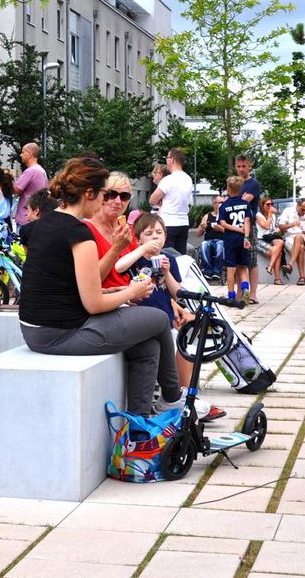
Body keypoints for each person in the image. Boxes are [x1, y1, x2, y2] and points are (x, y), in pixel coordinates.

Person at [18, 157, 183, 417]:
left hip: (36, 329)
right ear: (89, 193)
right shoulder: (78, 233)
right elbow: (93, 305)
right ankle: (173, 399)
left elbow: (65, 282)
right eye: (104, 195)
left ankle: (138, 427)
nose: (106, 201)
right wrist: (132, 292)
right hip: (61, 334)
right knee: (160, 319)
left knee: (147, 348)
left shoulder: (47, 223)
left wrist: (113, 291)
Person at [118, 213, 226, 423]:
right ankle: (175, 397)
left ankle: (180, 394)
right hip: (145, 320)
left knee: (187, 338)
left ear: (166, 237)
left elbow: (177, 294)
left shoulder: (170, 261)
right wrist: (141, 250)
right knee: (174, 341)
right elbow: (119, 267)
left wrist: (167, 273)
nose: (155, 238)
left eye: (159, 233)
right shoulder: (136, 259)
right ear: (138, 238)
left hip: (166, 319)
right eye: (149, 234)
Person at [84, 172, 139, 289]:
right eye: (112, 194)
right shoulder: (85, 230)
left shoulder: (127, 230)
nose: (118, 201)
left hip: (132, 297)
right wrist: (116, 249)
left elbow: (138, 268)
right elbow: (90, 281)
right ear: (101, 196)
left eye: (124, 196)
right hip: (106, 301)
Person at [150, 147, 194, 253]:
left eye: (167, 158)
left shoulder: (167, 180)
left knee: (167, 256)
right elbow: (189, 203)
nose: (166, 160)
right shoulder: (188, 179)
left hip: (169, 222)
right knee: (181, 256)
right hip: (183, 222)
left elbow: (152, 200)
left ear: (172, 160)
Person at [218, 176, 252, 299]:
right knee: (242, 266)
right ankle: (245, 288)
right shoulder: (245, 204)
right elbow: (247, 222)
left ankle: (231, 295)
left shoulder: (224, 206)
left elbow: (222, 223)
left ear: (228, 188)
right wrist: (246, 237)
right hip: (243, 239)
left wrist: (236, 229)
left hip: (230, 240)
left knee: (231, 269)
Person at [236, 155, 264, 294]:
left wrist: (235, 199)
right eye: (238, 166)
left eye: (244, 166)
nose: (241, 169)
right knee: (237, 262)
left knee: (251, 260)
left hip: (249, 225)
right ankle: (239, 294)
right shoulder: (235, 182)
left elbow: (242, 202)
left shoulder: (253, 183)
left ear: (249, 166)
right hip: (235, 225)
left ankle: (253, 294)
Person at [277, 198, 305, 283]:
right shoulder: (288, 211)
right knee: (301, 247)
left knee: (299, 237)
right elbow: (281, 227)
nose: (304, 212)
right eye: (302, 209)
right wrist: (292, 224)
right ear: (297, 205)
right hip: (289, 237)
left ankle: (290, 264)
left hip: (303, 237)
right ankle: (302, 277)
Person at [12, 142, 48, 229]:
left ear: (29, 154)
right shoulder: (41, 170)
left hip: (25, 219)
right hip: (35, 217)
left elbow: (16, 190)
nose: (21, 155)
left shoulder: (31, 171)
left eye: (23, 152)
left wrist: (6, 180)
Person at [255, 198, 285, 285]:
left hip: (269, 238)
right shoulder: (258, 215)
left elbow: (272, 229)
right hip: (259, 239)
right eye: (267, 204)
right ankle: (277, 279)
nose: (270, 206)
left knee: (280, 242)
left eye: (271, 204)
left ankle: (270, 266)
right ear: (262, 206)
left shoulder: (273, 216)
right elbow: (266, 227)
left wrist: (279, 230)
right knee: (278, 253)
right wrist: (270, 214)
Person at [198, 195, 227, 281]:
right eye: (221, 202)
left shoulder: (226, 216)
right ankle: (207, 270)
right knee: (204, 244)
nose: (223, 204)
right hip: (208, 241)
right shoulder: (207, 216)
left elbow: (230, 232)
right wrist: (202, 227)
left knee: (220, 244)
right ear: (214, 204)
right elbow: (198, 234)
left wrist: (221, 229)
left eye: (224, 202)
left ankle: (216, 271)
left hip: (221, 240)